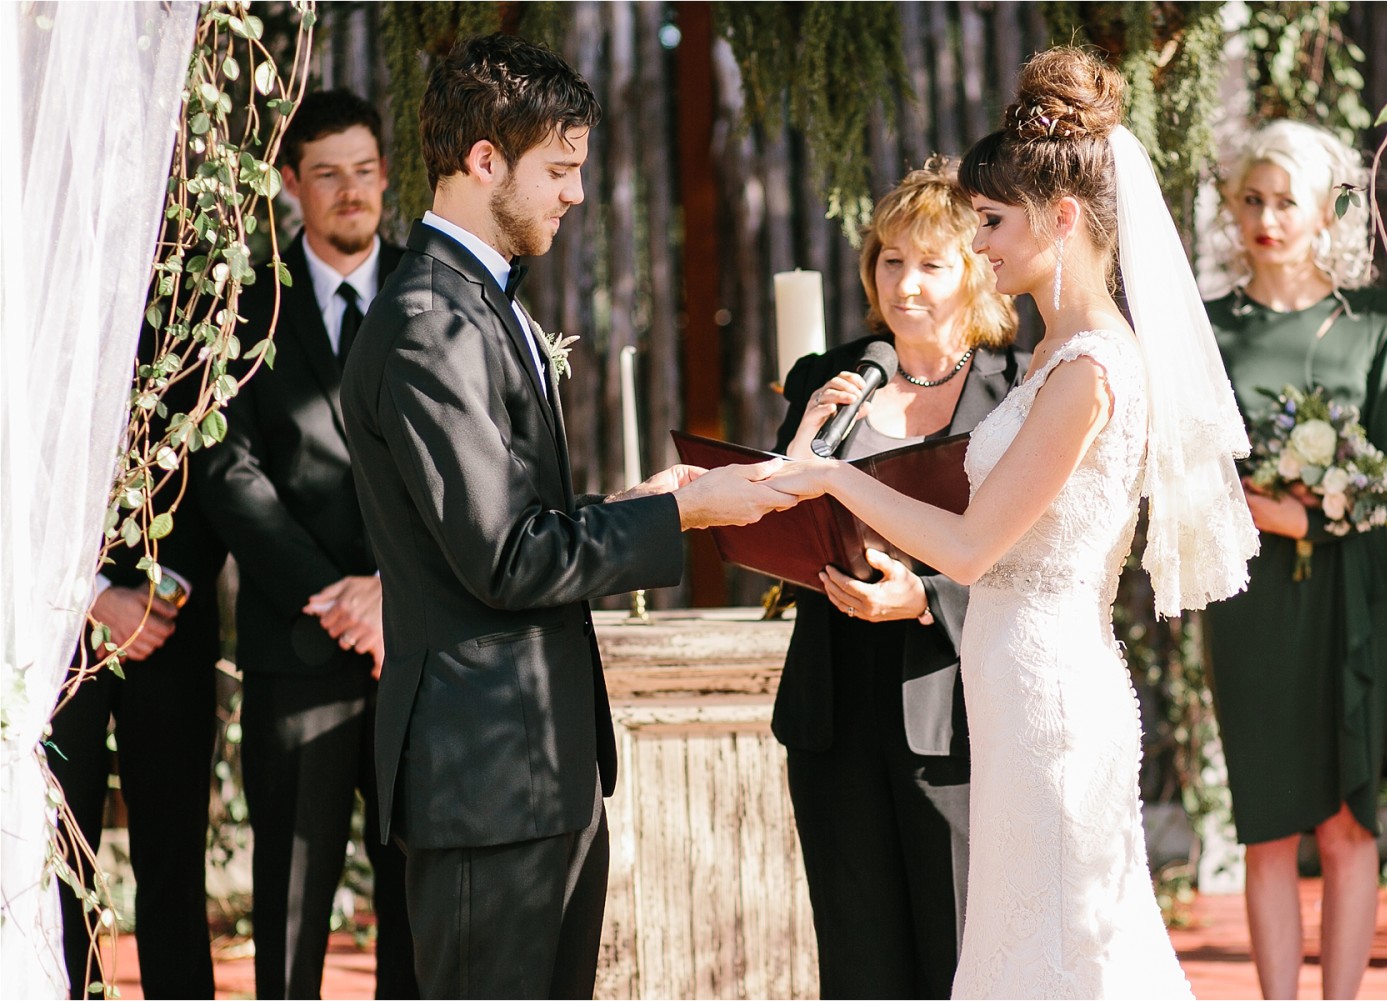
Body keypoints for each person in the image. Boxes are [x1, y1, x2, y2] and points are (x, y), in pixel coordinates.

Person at [766, 46, 1257, 998]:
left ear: (1061, 218)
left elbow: (966, 545)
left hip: (1051, 702)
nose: (981, 244)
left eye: (991, 221)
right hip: (1008, 694)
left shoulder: (1088, 372)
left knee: (1067, 957)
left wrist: (828, 475)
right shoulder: (1046, 360)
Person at [339, 34, 792, 999]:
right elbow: (503, 556)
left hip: (537, 770)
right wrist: (689, 519)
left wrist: (635, 508)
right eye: (559, 169)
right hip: (485, 781)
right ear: (483, 160)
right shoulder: (432, 323)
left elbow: (506, 519)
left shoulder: (478, 305)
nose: (574, 194)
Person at [770, 155, 1023, 999]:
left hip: (953, 710)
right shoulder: (827, 378)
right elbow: (772, 513)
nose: (905, 284)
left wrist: (929, 596)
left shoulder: (1015, 388)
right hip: (834, 709)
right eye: (889, 260)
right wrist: (801, 443)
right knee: (858, 964)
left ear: (975, 275)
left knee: (956, 955)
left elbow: (1041, 555)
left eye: (930, 264)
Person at [195, 89, 418, 999]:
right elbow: (226, 475)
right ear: (291, 184)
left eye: (364, 171)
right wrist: (338, 595)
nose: (350, 191)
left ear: (385, 178)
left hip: (417, 645)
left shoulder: (435, 293)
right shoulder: (247, 307)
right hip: (301, 644)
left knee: (415, 885)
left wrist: (390, 593)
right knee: (289, 899)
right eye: (327, 174)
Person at [1199, 119, 1387, 1000]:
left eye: (1286, 200)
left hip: (1352, 594)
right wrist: (1263, 513)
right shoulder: (1208, 330)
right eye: (1252, 199)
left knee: (1346, 824)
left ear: (1329, 210)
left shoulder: (1378, 322)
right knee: (1268, 825)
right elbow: (1183, 467)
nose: (1267, 217)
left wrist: (1313, 520)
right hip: (1249, 598)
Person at [46, 353, 226, 998]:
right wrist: (91, 593)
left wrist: (164, 592)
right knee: (61, 853)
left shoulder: (202, 282)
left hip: (171, 624)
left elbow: (222, 458)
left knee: (174, 853)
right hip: (60, 625)